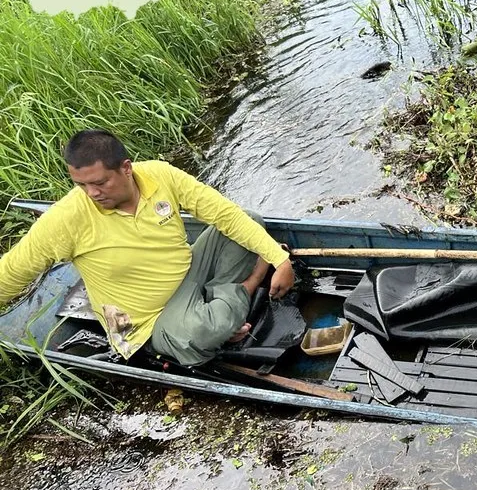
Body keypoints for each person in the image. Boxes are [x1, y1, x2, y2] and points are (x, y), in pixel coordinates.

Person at [0, 129, 295, 367]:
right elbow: (12, 272)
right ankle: (249, 286)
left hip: (188, 272)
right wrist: (265, 266)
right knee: (202, 332)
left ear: (126, 168)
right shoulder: (65, 219)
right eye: (81, 185)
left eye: (100, 182)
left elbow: (224, 214)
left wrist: (280, 260)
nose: (92, 193)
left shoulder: (159, 175)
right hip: (147, 322)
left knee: (249, 221)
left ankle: (221, 307)